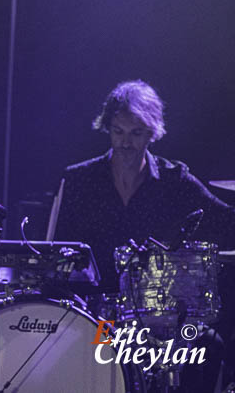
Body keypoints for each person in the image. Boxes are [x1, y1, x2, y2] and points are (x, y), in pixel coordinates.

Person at [53, 80, 235, 391]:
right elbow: (60, 253)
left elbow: (226, 222)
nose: (125, 142)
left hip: (160, 319)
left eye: (136, 133)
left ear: (152, 133)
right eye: (118, 132)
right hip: (99, 317)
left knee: (209, 346)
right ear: (107, 129)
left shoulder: (173, 179)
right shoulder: (80, 179)